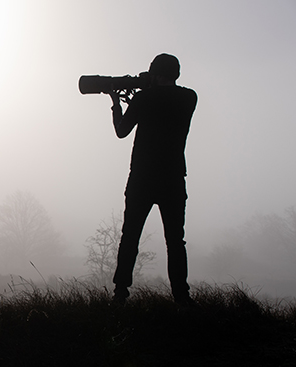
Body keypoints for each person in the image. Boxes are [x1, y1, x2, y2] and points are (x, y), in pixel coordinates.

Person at [108, 53, 197, 306]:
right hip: (173, 177)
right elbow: (169, 96)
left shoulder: (144, 98)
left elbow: (121, 131)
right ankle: (181, 296)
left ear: (155, 74)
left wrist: (117, 102)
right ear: (176, 74)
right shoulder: (189, 98)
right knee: (175, 240)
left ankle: (120, 295)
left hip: (142, 178)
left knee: (130, 236)